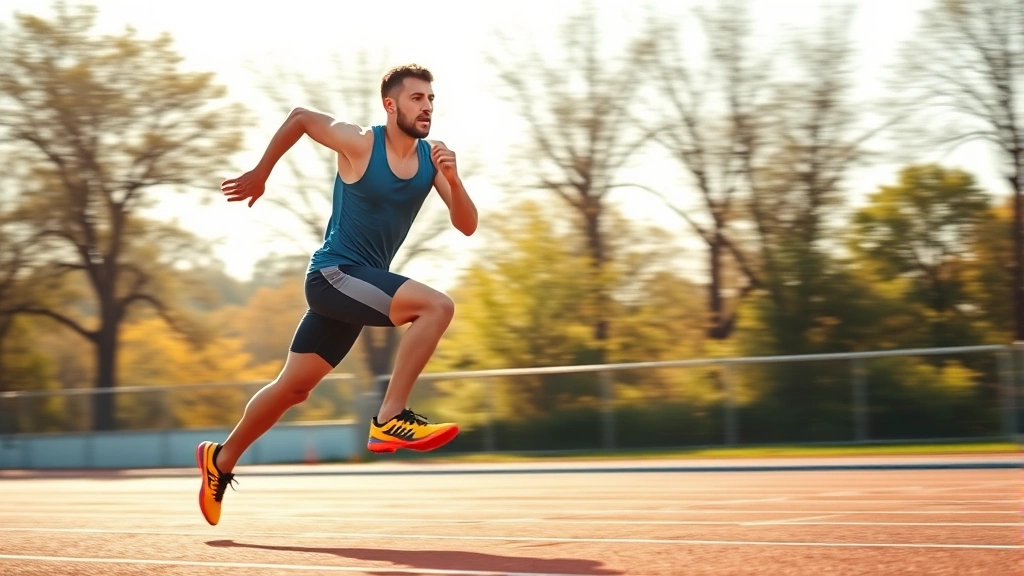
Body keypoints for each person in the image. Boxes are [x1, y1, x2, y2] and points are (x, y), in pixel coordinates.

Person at [195, 64, 478, 526]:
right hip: (333, 275)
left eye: (430, 99)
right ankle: (390, 415)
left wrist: (455, 178)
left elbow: (466, 225)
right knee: (436, 307)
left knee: (294, 388)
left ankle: (220, 460)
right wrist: (262, 172)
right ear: (391, 105)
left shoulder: (432, 161)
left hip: (357, 289)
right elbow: (302, 117)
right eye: (416, 99)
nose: (427, 106)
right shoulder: (361, 143)